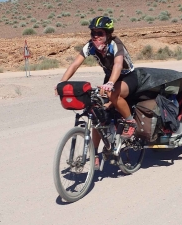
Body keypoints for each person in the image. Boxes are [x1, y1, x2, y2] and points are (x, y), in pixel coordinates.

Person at [55, 16, 138, 169]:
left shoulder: (115, 44)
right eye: (93, 33)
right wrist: (62, 82)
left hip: (128, 77)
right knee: (96, 113)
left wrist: (111, 83)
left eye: (99, 33)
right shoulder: (90, 46)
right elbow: (75, 64)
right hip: (110, 77)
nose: (96, 37)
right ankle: (95, 154)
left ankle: (130, 121)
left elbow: (118, 65)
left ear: (108, 34)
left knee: (113, 94)